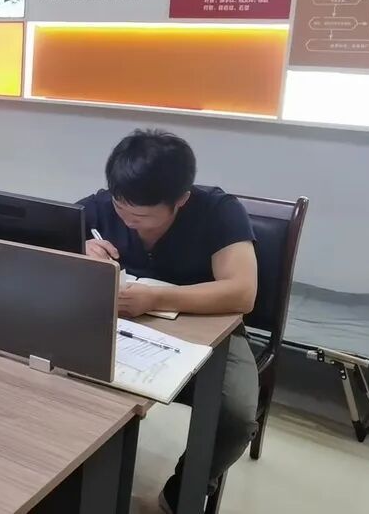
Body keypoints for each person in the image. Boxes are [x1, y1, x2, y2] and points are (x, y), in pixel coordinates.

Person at [78, 130, 259, 513]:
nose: (127, 220)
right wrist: (81, 248)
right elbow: (44, 239)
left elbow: (242, 293)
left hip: (207, 333)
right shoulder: (101, 206)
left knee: (235, 415)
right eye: (121, 208)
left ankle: (183, 491)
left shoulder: (219, 211)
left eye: (142, 215)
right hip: (119, 328)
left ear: (181, 199)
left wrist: (156, 297)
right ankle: (77, 482)